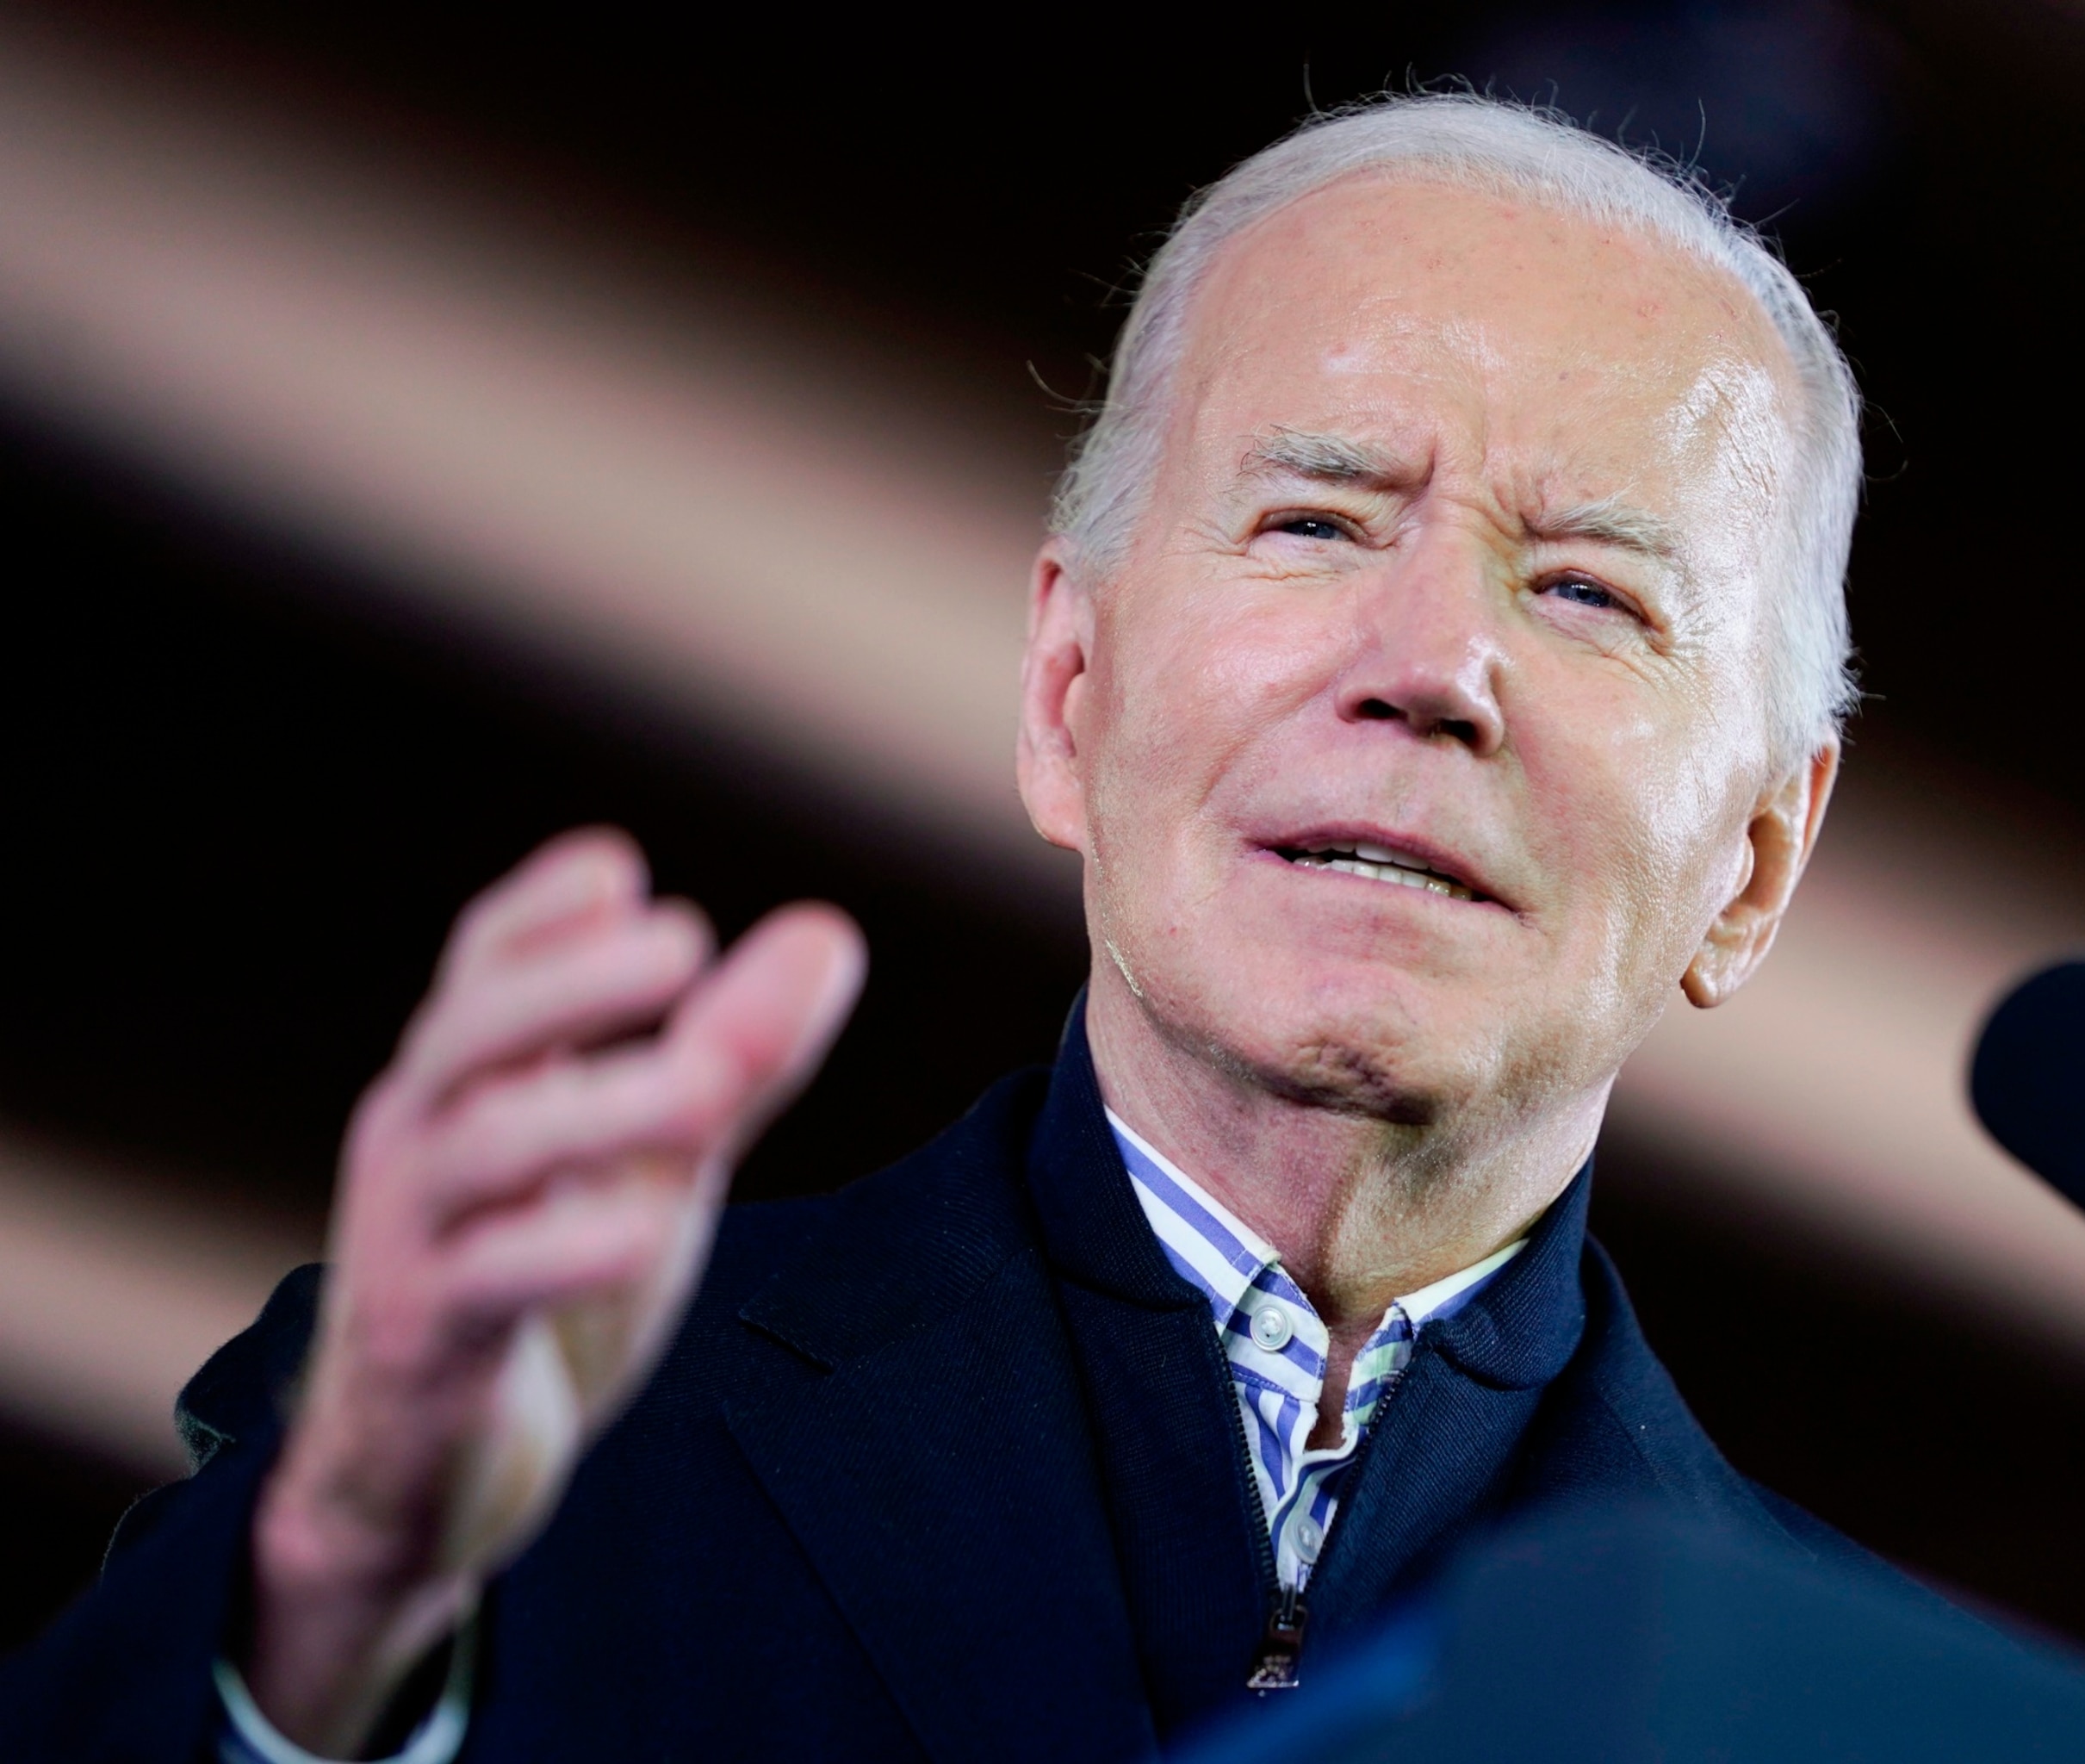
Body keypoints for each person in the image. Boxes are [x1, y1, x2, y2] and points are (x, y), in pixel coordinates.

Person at [4, 92, 1896, 1761]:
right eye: (1317, 522)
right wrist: (334, 1609)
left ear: (1753, 864)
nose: (1435, 667)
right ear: (1069, 690)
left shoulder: (1867, 1710)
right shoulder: (479, 1466)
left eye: (1584, 589)